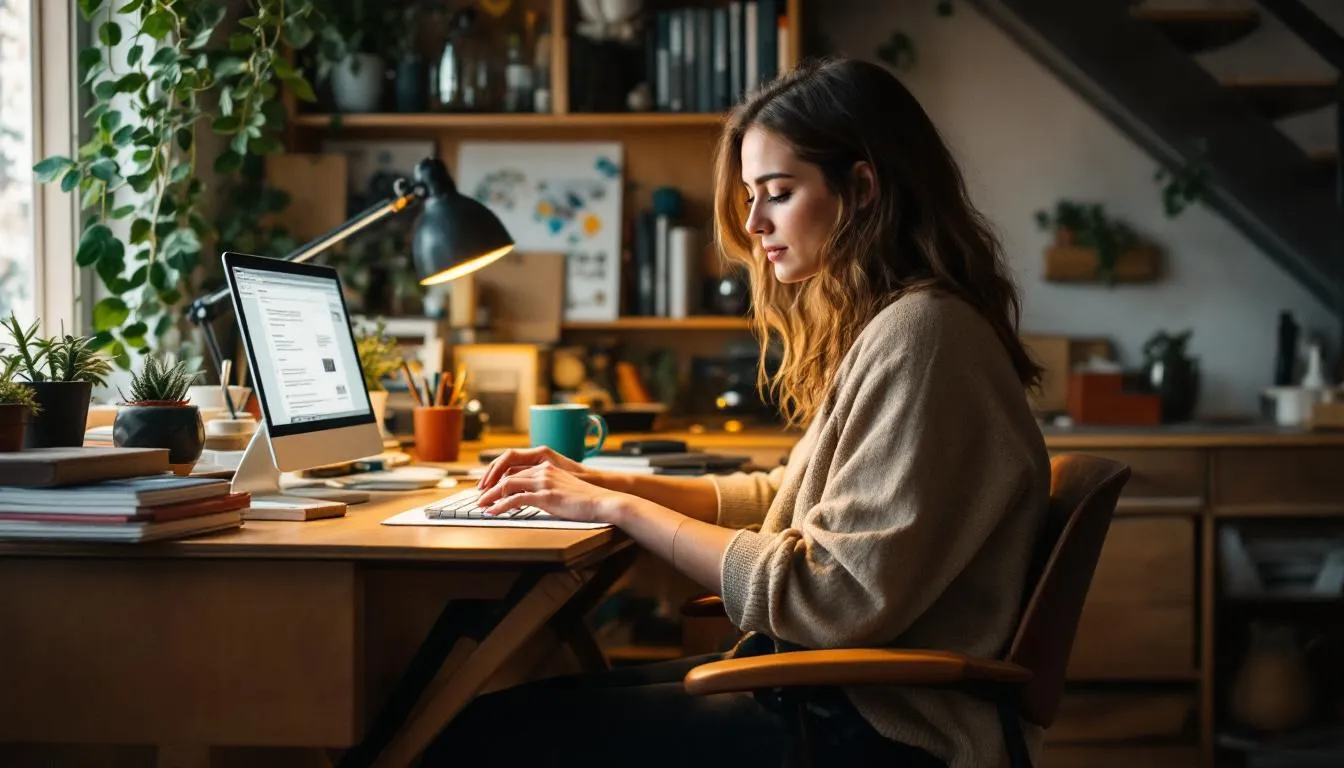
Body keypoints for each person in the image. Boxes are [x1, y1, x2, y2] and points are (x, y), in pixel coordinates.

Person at [422, 56, 1051, 768]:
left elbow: (829, 594)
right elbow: (784, 503)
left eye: (777, 193)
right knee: (486, 716)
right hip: (837, 693)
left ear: (864, 187)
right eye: (751, 196)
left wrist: (621, 513)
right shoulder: (903, 324)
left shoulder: (923, 335)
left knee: (471, 736)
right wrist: (605, 486)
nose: (752, 223)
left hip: (877, 727)